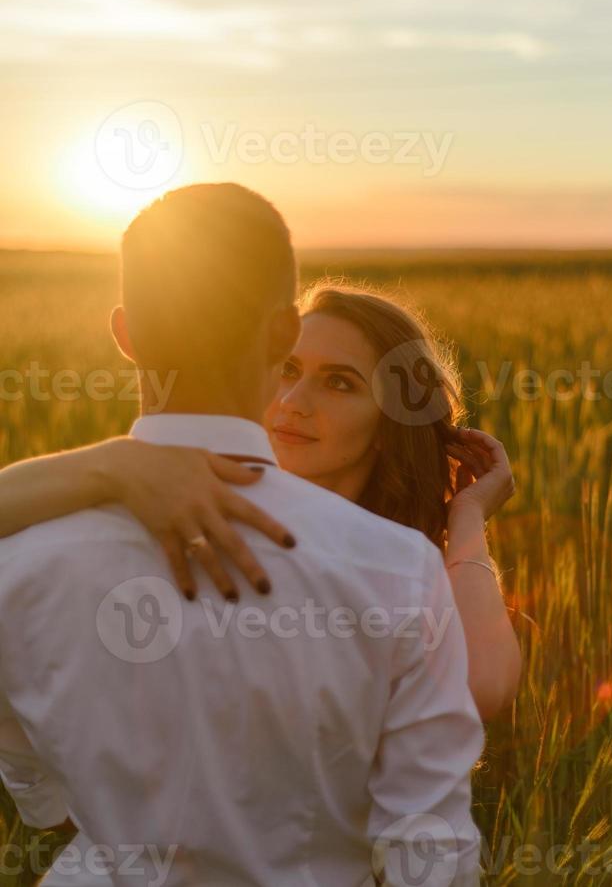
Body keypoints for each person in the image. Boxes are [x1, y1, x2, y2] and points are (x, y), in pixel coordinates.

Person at [0, 183, 486, 886]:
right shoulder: (395, 567)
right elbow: (430, 853)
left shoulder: (18, 560)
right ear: (284, 333)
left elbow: (40, 799)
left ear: (126, 333)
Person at [0, 283, 521, 724]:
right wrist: (113, 464)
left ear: (389, 424)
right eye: (287, 369)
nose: (293, 403)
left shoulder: (399, 570)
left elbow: (483, 689)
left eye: (340, 383)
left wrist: (467, 516)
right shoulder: (185, 512)